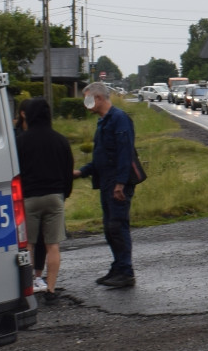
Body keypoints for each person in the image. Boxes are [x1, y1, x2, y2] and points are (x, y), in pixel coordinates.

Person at [75, 82, 138, 288]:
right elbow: (101, 157)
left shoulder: (119, 119)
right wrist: (82, 172)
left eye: (88, 99)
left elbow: (124, 154)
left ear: (99, 98)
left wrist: (120, 184)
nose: (87, 104)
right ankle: (118, 266)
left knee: (117, 226)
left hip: (117, 183)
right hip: (106, 182)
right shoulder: (103, 122)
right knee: (110, 228)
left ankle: (126, 271)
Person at [14, 98, 76, 304]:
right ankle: (50, 289)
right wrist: (64, 194)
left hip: (29, 198)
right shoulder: (60, 140)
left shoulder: (21, 141)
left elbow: (16, 172)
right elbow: (68, 171)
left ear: (28, 115)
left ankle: (30, 285)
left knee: (28, 245)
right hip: (54, 197)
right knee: (53, 246)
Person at [13, 107, 49, 294]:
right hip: (30, 193)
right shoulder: (17, 136)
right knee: (31, 238)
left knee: (36, 239)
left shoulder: (22, 139)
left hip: (32, 192)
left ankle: (35, 276)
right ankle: (31, 278)